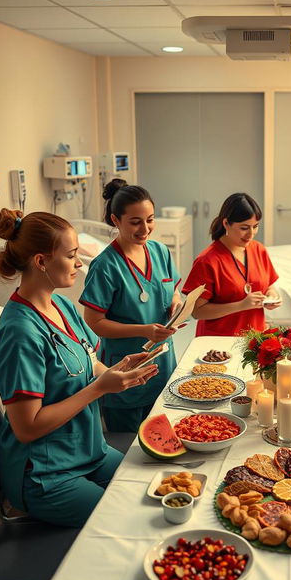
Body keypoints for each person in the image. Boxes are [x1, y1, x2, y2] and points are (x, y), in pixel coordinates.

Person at [0, 209, 158, 527]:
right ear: (41, 262)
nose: (79, 264)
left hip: (90, 452)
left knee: (149, 491)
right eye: (72, 255)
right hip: (45, 474)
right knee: (129, 520)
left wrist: (117, 371)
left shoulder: (60, 306)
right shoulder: (19, 334)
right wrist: (98, 389)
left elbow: (88, 362)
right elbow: (27, 428)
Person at [80, 179, 183, 433]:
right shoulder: (105, 266)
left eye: (150, 219)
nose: (145, 228)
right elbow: (95, 323)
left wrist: (176, 306)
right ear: (116, 220)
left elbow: (174, 292)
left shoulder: (160, 251)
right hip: (125, 369)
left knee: (164, 435)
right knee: (130, 454)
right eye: (135, 222)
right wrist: (144, 330)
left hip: (163, 361)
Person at [183, 192, 280, 336]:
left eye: (255, 226)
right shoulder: (207, 261)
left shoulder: (258, 249)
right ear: (226, 223)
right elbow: (197, 312)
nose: (251, 234)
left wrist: (272, 296)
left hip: (253, 339)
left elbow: (269, 286)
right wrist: (241, 305)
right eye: (244, 228)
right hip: (218, 343)